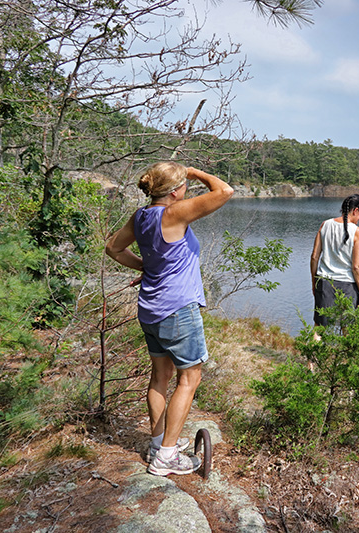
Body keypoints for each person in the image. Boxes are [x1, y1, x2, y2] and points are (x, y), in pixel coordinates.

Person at [105, 161, 234, 476]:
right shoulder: (175, 213)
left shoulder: (141, 217)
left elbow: (113, 248)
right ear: (176, 191)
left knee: (160, 377)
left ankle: (158, 443)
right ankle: (166, 457)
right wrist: (195, 172)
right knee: (189, 379)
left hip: (150, 309)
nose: (187, 188)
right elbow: (225, 191)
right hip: (177, 310)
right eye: (184, 184)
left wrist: (146, 268)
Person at [310, 194, 359, 326]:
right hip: (347, 285)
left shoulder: (325, 225)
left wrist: (314, 281)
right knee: (347, 328)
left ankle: (313, 346)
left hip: (324, 281)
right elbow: (357, 267)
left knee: (319, 327)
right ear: (355, 211)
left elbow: (314, 257)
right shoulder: (358, 232)